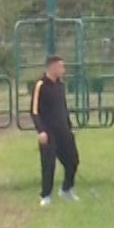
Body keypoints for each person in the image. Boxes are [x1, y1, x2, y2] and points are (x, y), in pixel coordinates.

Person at [31, 55, 79, 206]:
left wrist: (69, 126)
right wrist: (41, 131)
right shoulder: (40, 85)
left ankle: (66, 189)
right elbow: (34, 111)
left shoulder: (60, 85)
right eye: (60, 67)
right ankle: (46, 196)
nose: (63, 70)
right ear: (52, 67)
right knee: (48, 164)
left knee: (73, 161)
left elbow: (63, 108)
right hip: (48, 132)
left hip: (63, 130)